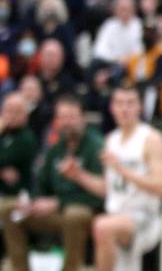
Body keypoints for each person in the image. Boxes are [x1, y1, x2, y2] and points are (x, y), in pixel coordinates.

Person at [0, 96, 105, 271]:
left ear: (82, 119)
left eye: (72, 117)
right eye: (62, 117)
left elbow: (100, 194)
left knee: (74, 215)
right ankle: (19, 268)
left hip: (86, 211)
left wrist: (58, 202)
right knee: (9, 208)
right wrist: (31, 202)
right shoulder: (56, 149)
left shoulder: (95, 146)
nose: (67, 122)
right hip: (56, 212)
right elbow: (41, 183)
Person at [94, 86, 162, 271]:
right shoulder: (110, 140)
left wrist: (122, 170)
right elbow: (107, 189)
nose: (124, 109)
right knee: (100, 225)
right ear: (112, 108)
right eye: (119, 103)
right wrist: (77, 175)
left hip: (144, 216)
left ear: (140, 107)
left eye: (130, 103)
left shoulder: (151, 138)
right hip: (116, 214)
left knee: (102, 227)